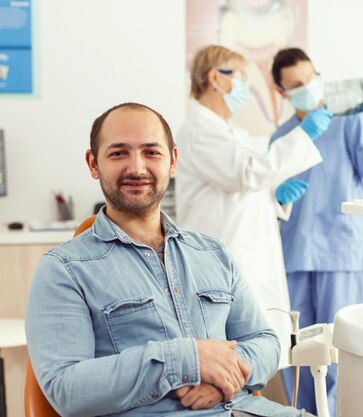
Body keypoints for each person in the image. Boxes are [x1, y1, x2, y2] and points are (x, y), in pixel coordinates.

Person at [25, 102, 316, 417]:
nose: (137, 168)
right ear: (93, 164)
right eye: (118, 153)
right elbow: (67, 390)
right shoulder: (64, 269)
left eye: (151, 152)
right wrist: (184, 361)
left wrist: (220, 379)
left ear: (173, 161)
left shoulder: (213, 253)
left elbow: (265, 342)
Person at [175, 45, 331, 368]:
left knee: (251, 358)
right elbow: (245, 174)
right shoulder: (199, 130)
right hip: (221, 262)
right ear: (216, 78)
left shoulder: (230, 132)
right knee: (233, 360)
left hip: (242, 257)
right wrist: (304, 134)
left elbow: (245, 187)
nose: (245, 86)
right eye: (241, 78)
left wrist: (275, 197)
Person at [270, 47, 363, 417]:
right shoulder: (282, 138)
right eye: (296, 84)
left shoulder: (349, 119)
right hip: (295, 251)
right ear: (281, 91)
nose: (306, 87)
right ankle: (303, 413)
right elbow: (269, 196)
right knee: (300, 348)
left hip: (342, 246)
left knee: (339, 347)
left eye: (310, 78)